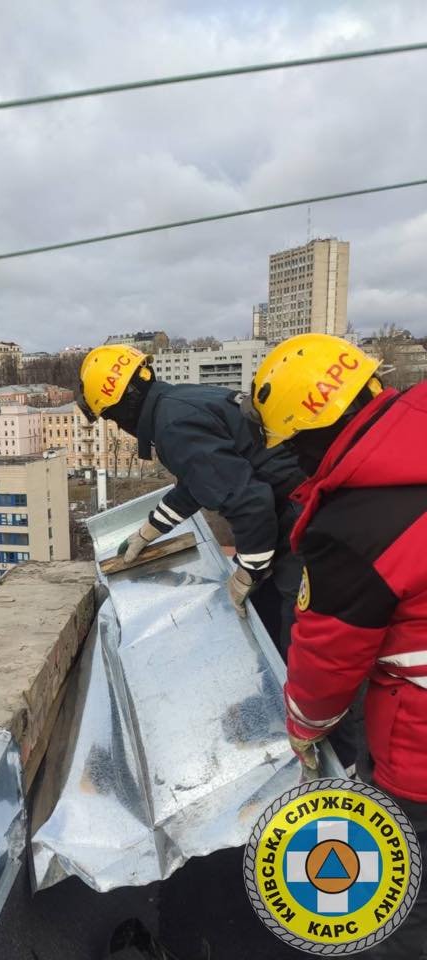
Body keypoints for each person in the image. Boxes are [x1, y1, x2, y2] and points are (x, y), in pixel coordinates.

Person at [244, 332, 427, 958]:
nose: (295, 459)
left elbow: (329, 653)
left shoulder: (354, 524)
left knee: (401, 903)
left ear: (311, 431)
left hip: (421, 743)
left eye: (294, 443)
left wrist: (303, 721)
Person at [78, 343, 304, 651]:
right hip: (292, 502)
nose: (116, 425)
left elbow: (250, 503)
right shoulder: (175, 402)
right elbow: (202, 481)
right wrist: (150, 530)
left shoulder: (173, 427)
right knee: (268, 607)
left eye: (111, 416)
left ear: (124, 406)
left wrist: (247, 574)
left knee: (299, 629)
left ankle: (306, 698)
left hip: (299, 514)